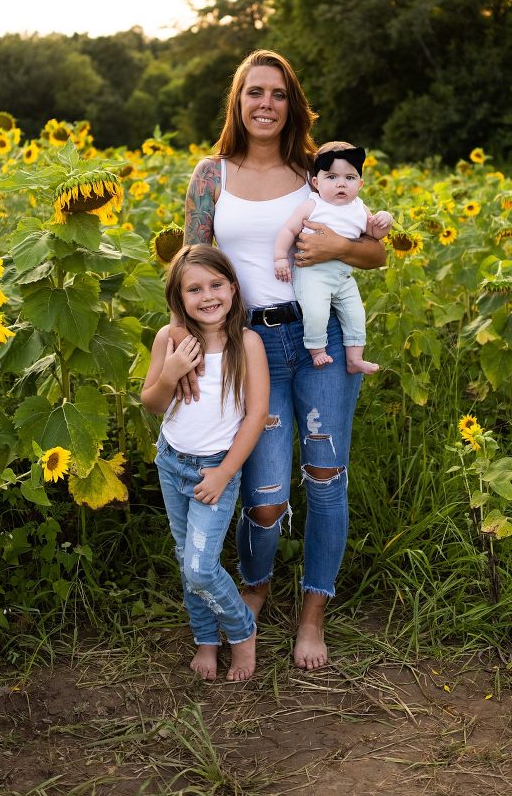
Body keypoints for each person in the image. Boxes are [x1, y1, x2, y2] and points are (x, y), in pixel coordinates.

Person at [183, 49, 386, 670]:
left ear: (291, 104)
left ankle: (312, 613)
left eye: (277, 94)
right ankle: (256, 583)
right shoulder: (211, 175)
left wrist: (338, 245)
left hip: (317, 341)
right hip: (251, 347)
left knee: (326, 478)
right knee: (265, 494)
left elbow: (377, 255)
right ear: (238, 103)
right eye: (254, 93)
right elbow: (192, 264)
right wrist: (186, 346)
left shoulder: (318, 172)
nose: (265, 104)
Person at [141, 244, 269, 682]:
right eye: (194, 289)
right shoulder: (170, 340)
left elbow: (255, 415)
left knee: (200, 565)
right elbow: (152, 404)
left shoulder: (247, 344)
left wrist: (225, 472)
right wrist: (171, 372)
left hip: (215, 468)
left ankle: (241, 631)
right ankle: (205, 639)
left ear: (233, 288)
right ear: (179, 299)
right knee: (185, 559)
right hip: (171, 461)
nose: (207, 296)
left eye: (216, 285)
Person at [273, 140, 392, 374]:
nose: (341, 184)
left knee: (355, 313)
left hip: (343, 274)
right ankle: (317, 350)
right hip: (312, 273)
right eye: (332, 177)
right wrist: (279, 257)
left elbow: (374, 234)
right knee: (316, 311)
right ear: (316, 183)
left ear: (360, 183)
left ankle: (354, 358)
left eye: (349, 178)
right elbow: (289, 230)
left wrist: (384, 220)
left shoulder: (359, 207)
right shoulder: (312, 205)